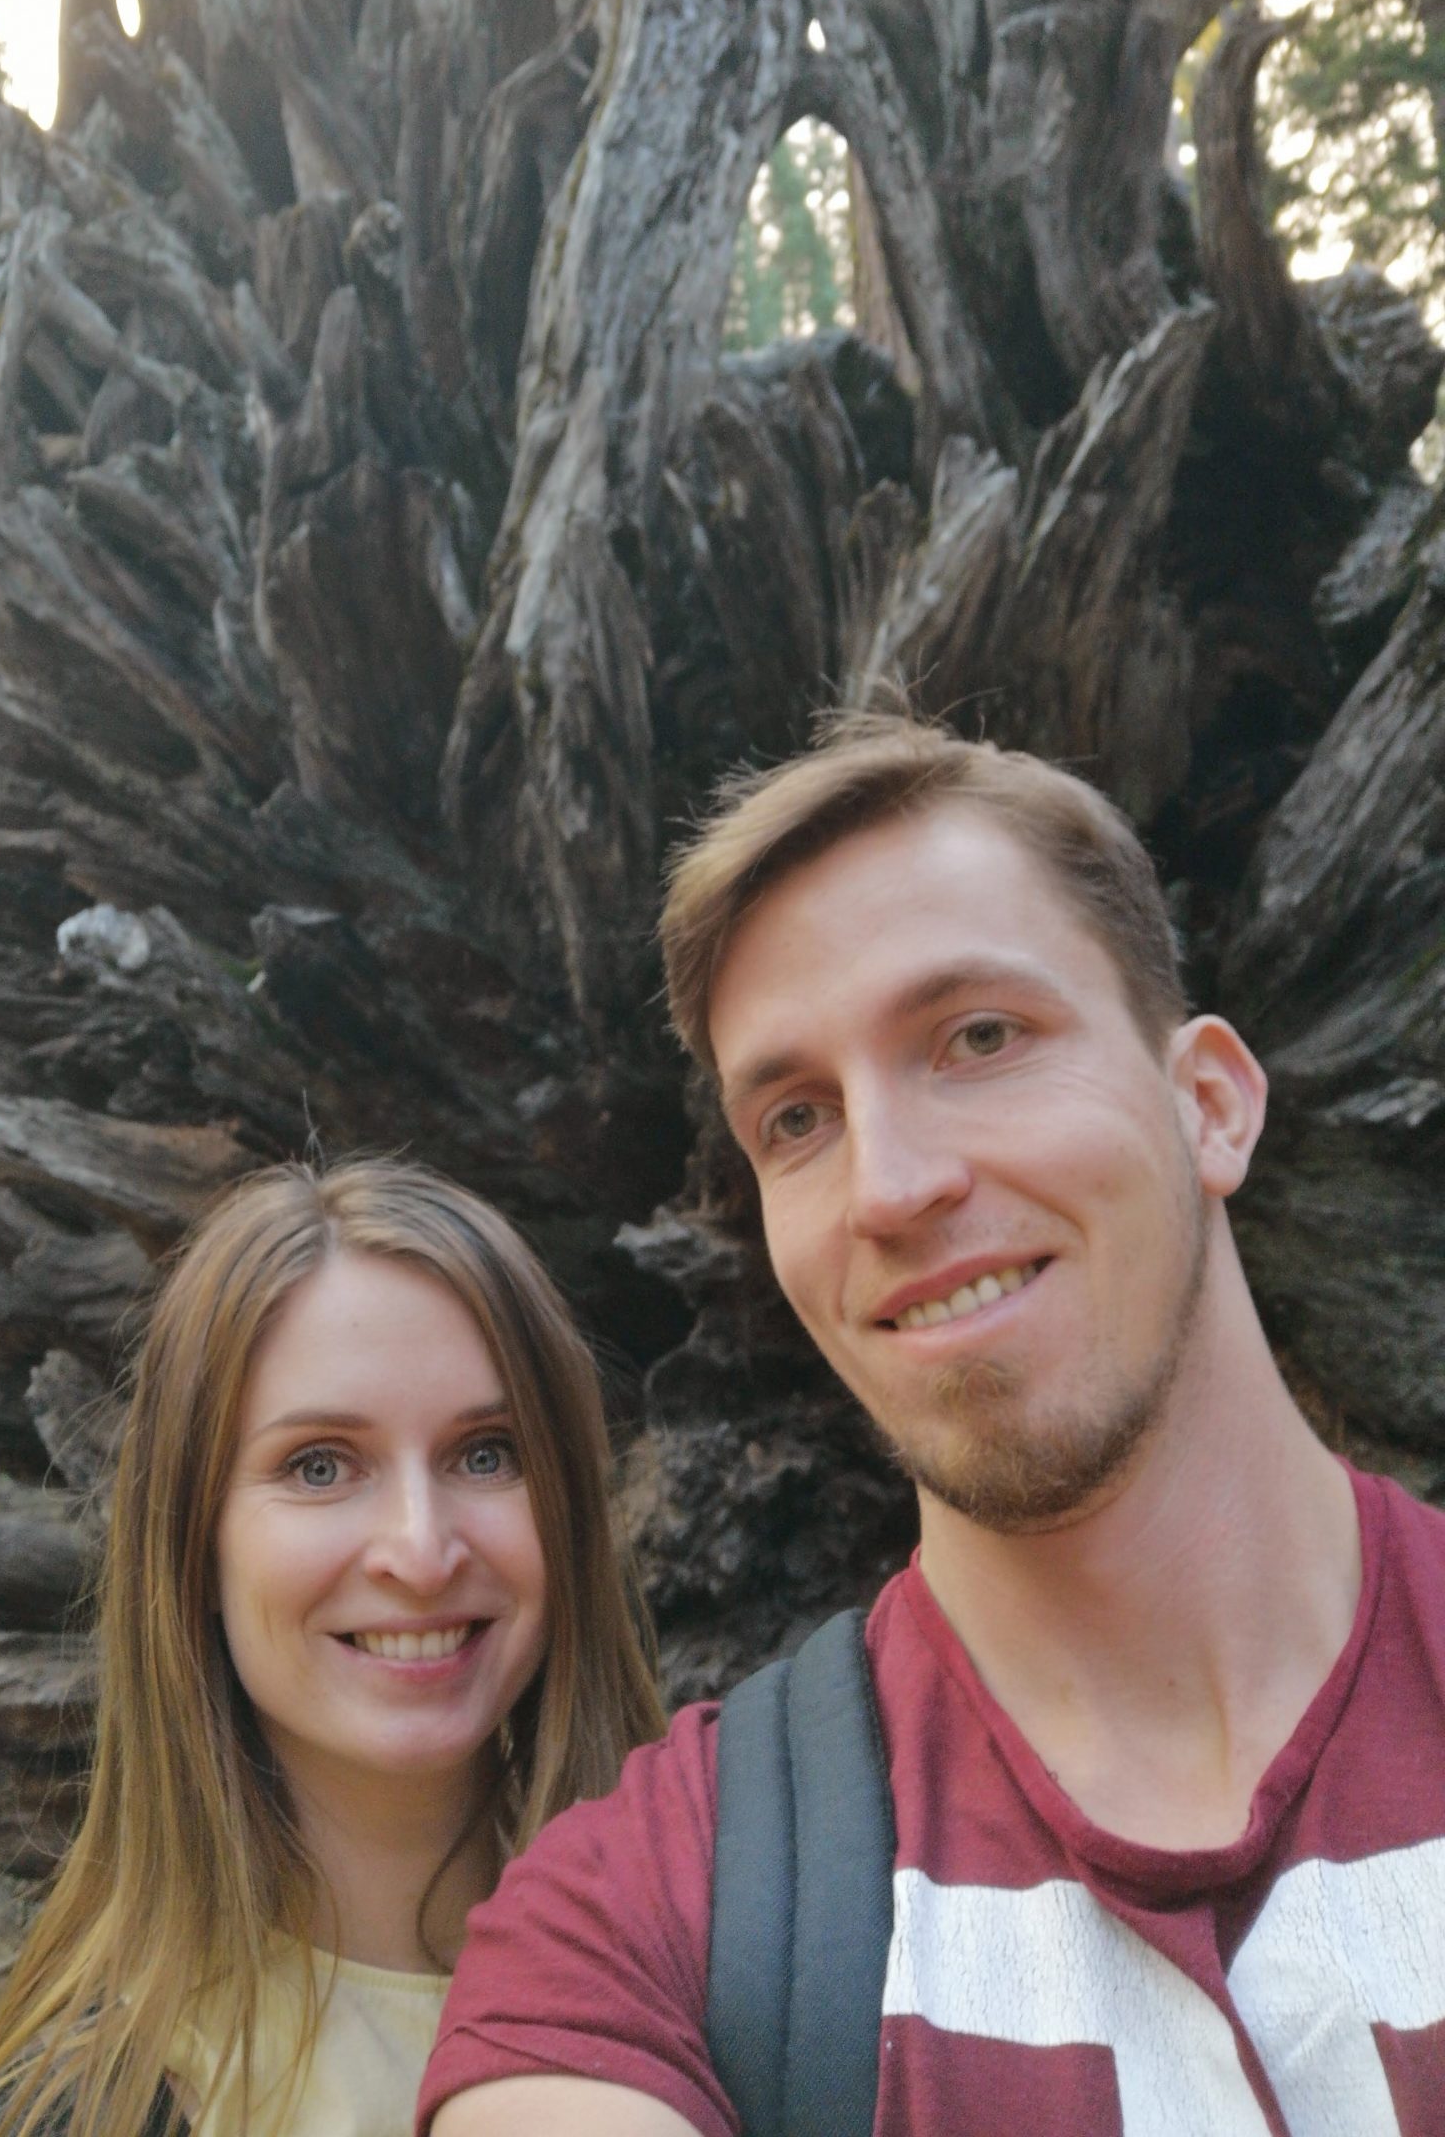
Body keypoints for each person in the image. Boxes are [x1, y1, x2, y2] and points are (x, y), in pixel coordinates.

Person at [422, 715, 1445, 2135]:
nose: (888, 1187)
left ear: (1208, 1104)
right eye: (796, 1118)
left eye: (979, 1037)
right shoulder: (641, 1928)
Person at [0, 1156, 662, 2137]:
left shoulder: (734, 1977)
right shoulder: (97, 2107)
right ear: (193, 1546)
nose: (421, 1551)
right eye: (320, 1465)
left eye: (487, 1453)